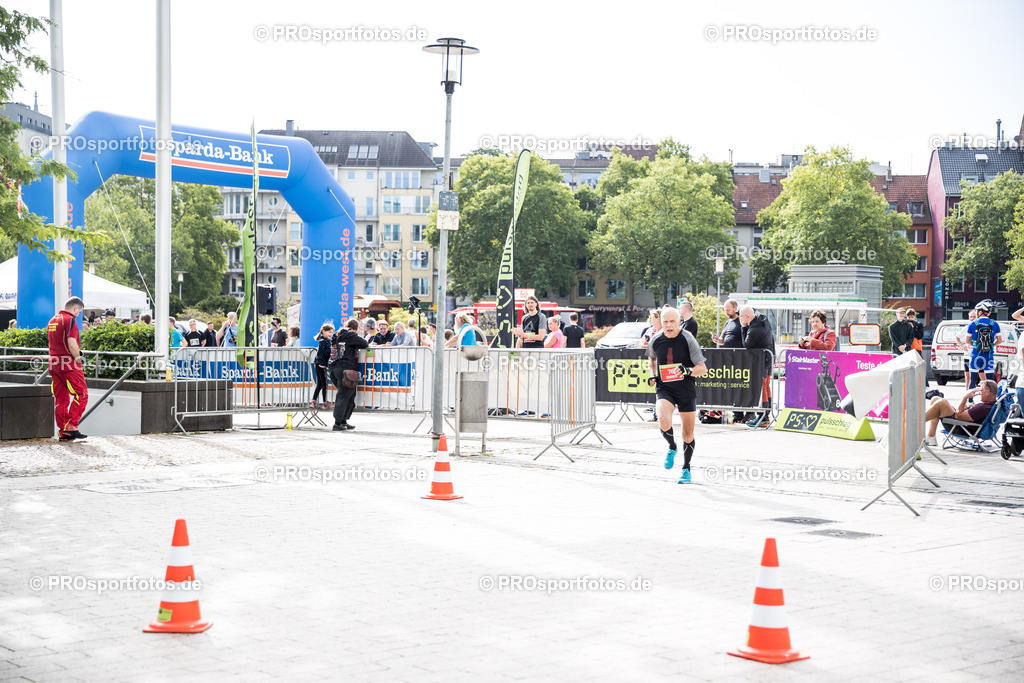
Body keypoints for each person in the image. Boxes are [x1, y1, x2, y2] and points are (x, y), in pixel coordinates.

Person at [647, 307, 708, 484]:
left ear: (679, 321)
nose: (668, 325)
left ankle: (686, 468)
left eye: (672, 321)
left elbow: (702, 368)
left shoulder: (688, 339)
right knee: (663, 418)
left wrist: (687, 370)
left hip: (686, 390)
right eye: (665, 322)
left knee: (687, 433)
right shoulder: (656, 339)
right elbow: (651, 359)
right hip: (665, 389)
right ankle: (672, 447)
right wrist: (652, 374)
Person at [48, 297, 89, 441]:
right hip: (68, 363)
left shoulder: (53, 320)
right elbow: (72, 343)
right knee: (82, 394)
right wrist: (79, 357)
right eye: (79, 312)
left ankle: (63, 431)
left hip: (54, 362)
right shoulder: (69, 320)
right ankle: (72, 426)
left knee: (61, 397)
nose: (78, 315)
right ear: (76, 308)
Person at [924, 380, 997, 446]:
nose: (979, 393)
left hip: (961, 428)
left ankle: (916, 423)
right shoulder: (992, 405)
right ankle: (931, 437)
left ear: (987, 392)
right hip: (965, 424)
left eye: (981, 390)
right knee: (935, 399)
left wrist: (965, 397)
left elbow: (958, 416)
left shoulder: (983, 407)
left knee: (942, 402)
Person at [328, 319, 368, 431]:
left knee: (349, 395)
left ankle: (343, 421)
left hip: (333, 368)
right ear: (356, 329)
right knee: (344, 396)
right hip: (345, 369)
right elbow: (365, 343)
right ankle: (337, 423)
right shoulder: (350, 335)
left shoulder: (336, 335)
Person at [739, 304, 776, 428]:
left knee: (762, 387)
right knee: (766, 386)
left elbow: (747, 344)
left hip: (762, 361)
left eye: (741, 317)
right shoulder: (763, 318)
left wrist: (743, 327)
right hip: (768, 358)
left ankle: (763, 417)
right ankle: (765, 416)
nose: (740, 318)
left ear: (747, 316)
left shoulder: (755, 328)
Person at [965, 302, 1002, 386]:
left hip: (975, 354)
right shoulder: (994, 324)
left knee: (972, 381)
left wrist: (975, 345)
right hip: (989, 355)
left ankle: (970, 399)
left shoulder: (973, 324)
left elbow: (967, 340)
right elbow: (1000, 340)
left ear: (980, 311)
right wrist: (991, 345)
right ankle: (990, 399)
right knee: (990, 381)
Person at [311, 323, 334, 408]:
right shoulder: (325, 341)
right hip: (321, 364)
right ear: (323, 331)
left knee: (320, 384)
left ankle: (313, 400)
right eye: (329, 332)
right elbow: (326, 353)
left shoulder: (322, 341)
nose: (330, 334)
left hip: (318, 363)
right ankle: (324, 401)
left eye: (331, 333)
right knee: (324, 384)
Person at [957, 309, 979, 391]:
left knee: (982, 377)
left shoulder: (981, 327)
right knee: (968, 377)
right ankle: (967, 396)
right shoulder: (967, 328)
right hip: (967, 356)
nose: (972, 318)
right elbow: (957, 337)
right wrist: (962, 345)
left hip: (979, 355)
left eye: (974, 317)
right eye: (971, 317)